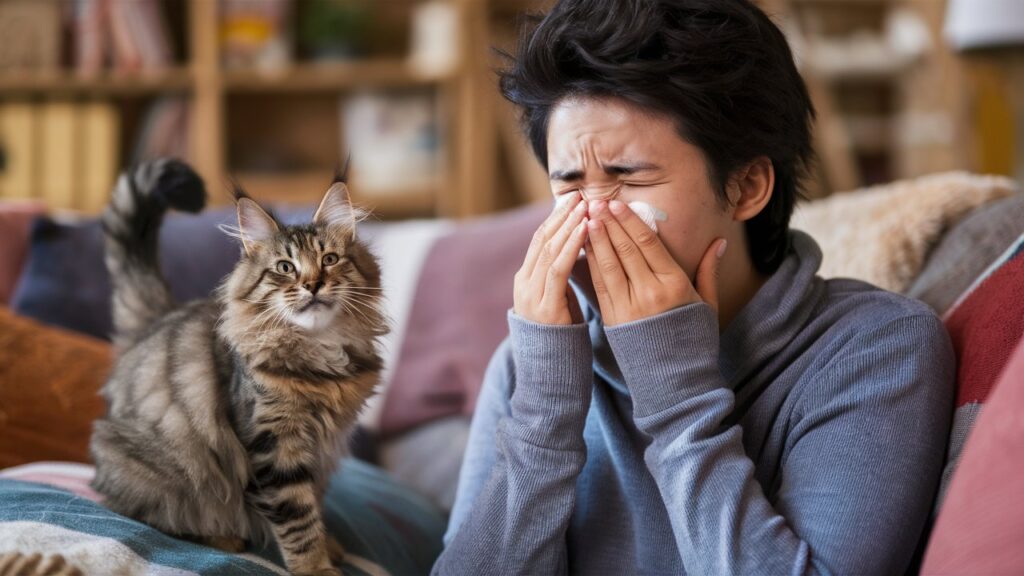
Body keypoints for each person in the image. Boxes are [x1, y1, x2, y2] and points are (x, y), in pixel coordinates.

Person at [433, 0, 955, 573]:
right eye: (571, 184)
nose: (593, 218)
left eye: (629, 177)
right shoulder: (531, 365)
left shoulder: (877, 349)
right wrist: (543, 415)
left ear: (746, 187)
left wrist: (676, 391)